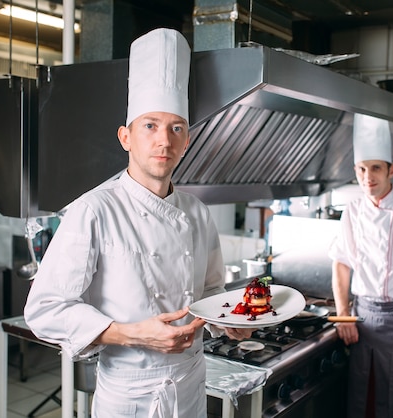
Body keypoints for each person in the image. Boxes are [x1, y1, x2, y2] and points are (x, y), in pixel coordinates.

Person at [24, 28, 251, 418]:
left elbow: (213, 290)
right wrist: (133, 333)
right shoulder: (93, 210)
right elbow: (45, 310)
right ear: (126, 137)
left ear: (187, 140)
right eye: (150, 125)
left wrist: (229, 322)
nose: (164, 140)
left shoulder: (196, 212)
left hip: (192, 385)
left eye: (176, 128)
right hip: (128, 394)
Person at [329, 113, 393, 418]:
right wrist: (344, 315)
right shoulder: (353, 209)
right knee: (363, 395)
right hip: (363, 317)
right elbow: (342, 263)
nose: (368, 176)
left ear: (391, 170)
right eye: (362, 169)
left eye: (375, 168)